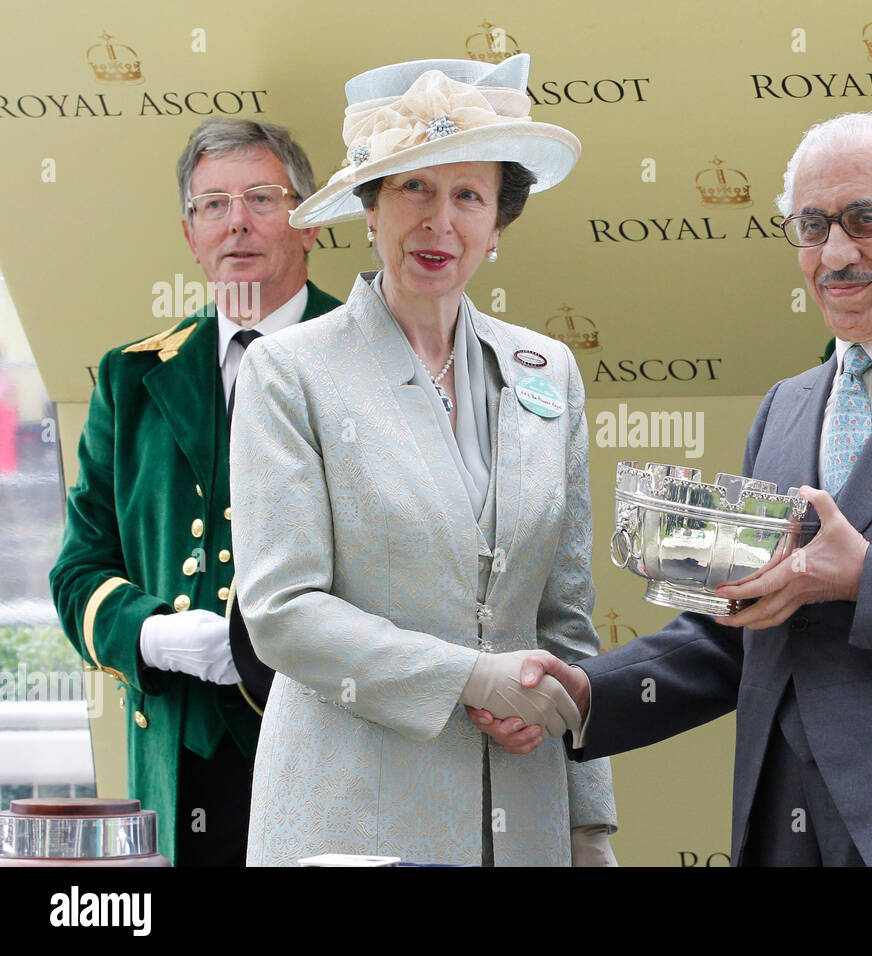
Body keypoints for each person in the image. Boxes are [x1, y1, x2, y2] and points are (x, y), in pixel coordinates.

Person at [477, 112, 872, 865]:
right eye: (813, 226)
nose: (838, 252)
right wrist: (583, 695)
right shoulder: (786, 408)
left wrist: (869, 580)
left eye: (866, 220)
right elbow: (746, 630)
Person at [228, 54, 616, 867]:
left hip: (527, 819)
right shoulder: (288, 370)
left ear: (498, 225)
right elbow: (281, 610)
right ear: (369, 210)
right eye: (414, 189)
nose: (440, 222)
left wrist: (589, 829)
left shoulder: (549, 371)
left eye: (468, 195)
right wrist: (475, 678)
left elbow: (567, 622)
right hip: (353, 821)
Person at [49, 118, 342, 865]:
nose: (236, 222)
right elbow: (78, 572)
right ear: (190, 235)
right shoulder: (133, 378)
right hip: (183, 757)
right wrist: (156, 634)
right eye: (213, 205)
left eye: (261, 198)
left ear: (307, 222)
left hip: (333, 744)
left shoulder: (370, 354)